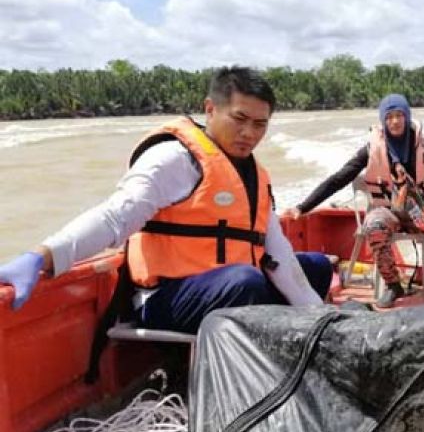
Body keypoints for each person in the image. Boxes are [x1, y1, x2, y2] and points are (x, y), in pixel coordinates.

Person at [0, 66, 332, 335]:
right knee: (245, 282)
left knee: (314, 267)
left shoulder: (254, 175)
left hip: (227, 286)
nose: (250, 133)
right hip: (163, 298)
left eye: (260, 124)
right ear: (210, 109)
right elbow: (115, 217)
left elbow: (278, 254)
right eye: (239, 119)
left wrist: (320, 319)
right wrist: (40, 257)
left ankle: (301, 346)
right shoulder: (174, 158)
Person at [284, 93, 424, 308]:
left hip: (421, 214)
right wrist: (303, 207)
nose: (394, 121)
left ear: (407, 116)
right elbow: (338, 179)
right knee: (374, 225)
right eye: (389, 116)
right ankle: (394, 285)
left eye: (399, 115)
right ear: (383, 120)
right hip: (387, 212)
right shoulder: (371, 150)